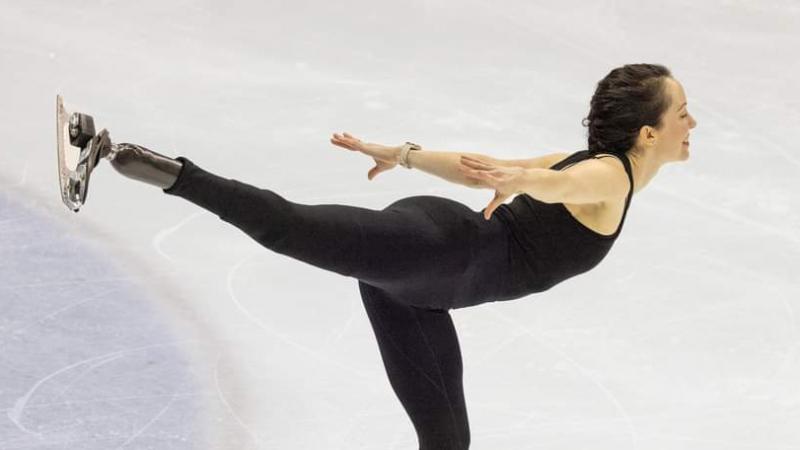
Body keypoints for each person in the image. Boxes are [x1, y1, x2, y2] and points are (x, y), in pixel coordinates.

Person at [88, 63, 697, 449]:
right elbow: (561, 186)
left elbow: (475, 167)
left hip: (422, 289)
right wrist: (521, 179)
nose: (692, 121)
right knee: (289, 227)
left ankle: (145, 163)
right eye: (682, 112)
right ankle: (144, 163)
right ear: (648, 133)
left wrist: (405, 154)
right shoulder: (607, 178)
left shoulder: (581, 163)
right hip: (439, 254)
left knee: (447, 442)